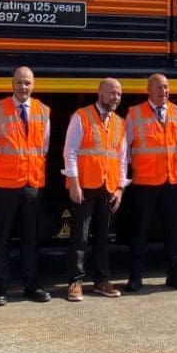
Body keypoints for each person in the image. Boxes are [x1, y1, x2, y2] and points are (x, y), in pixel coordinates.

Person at [0, 66, 52, 306]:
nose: (24, 87)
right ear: (12, 84)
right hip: (5, 184)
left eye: (28, 83)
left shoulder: (43, 111)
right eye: (20, 83)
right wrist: (7, 169)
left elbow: (43, 147)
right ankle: (0, 289)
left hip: (32, 183)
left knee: (31, 238)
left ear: (33, 85)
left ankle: (31, 286)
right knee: (2, 237)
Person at [62, 77, 128, 301]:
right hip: (85, 186)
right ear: (100, 93)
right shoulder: (82, 116)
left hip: (107, 186)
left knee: (102, 237)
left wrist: (120, 188)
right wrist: (74, 183)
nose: (115, 97)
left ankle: (101, 281)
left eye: (118, 94)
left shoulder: (119, 122)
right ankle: (75, 282)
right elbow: (70, 151)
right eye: (111, 93)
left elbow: (121, 157)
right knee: (79, 236)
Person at [124, 73, 177, 292]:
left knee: (173, 231)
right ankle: (135, 277)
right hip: (145, 182)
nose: (164, 92)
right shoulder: (134, 114)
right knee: (140, 230)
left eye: (167, 87)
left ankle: (175, 274)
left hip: (172, 181)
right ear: (149, 90)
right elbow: (126, 150)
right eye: (159, 88)